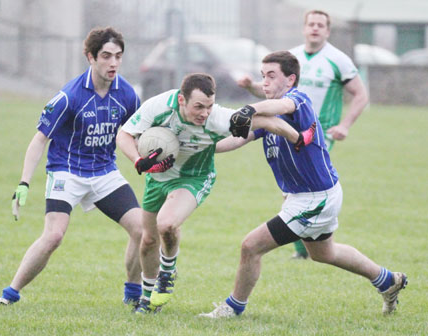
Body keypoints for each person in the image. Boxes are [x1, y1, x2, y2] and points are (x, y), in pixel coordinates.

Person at [199, 51, 407, 318]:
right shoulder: (269, 115)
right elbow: (239, 138)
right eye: (263, 76)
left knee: (250, 246)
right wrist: (202, 149)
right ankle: (388, 281)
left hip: (315, 198)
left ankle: (232, 308)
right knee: (324, 253)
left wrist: (249, 108)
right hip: (309, 196)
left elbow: (281, 107)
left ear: (291, 79)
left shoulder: (298, 99)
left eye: (272, 76)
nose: (265, 82)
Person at [116, 72, 316, 314]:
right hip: (157, 178)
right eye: (198, 106)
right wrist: (138, 161)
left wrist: (299, 137)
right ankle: (147, 301)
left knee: (167, 224)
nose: (204, 113)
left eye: (209, 106)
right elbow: (124, 135)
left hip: (194, 177)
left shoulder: (219, 118)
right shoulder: (158, 107)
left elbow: (265, 121)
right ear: (181, 100)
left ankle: (167, 272)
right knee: (148, 240)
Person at [0, 27, 144, 306]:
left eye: (119, 57)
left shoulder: (128, 95)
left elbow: (137, 133)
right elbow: (39, 140)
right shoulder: (68, 96)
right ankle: (9, 294)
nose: (113, 63)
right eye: (106, 56)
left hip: (105, 173)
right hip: (67, 172)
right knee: (53, 236)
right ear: (90, 57)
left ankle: (133, 295)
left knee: (141, 229)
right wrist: (24, 183)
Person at [237, 10, 369, 259]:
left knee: (303, 189)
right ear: (304, 28)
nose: (315, 28)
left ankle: (302, 245)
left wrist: (345, 126)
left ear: (328, 31)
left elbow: (361, 95)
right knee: (295, 192)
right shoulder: (291, 57)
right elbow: (269, 97)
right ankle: (308, 246)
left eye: (321, 25)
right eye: (311, 24)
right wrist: (249, 87)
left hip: (316, 133)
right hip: (284, 127)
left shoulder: (338, 60)